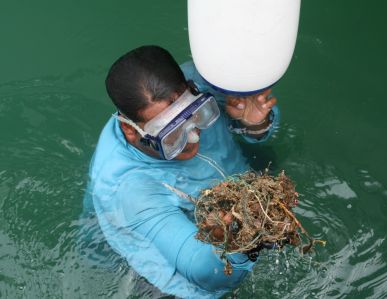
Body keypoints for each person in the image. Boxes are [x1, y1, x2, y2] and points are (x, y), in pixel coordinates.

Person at [82, 45, 280, 298]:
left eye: (197, 115)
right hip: (148, 251)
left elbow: (258, 113)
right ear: (132, 131)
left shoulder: (204, 80)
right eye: (171, 135)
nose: (193, 137)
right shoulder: (130, 190)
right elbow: (207, 274)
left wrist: (254, 125)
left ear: (191, 87)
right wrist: (225, 242)